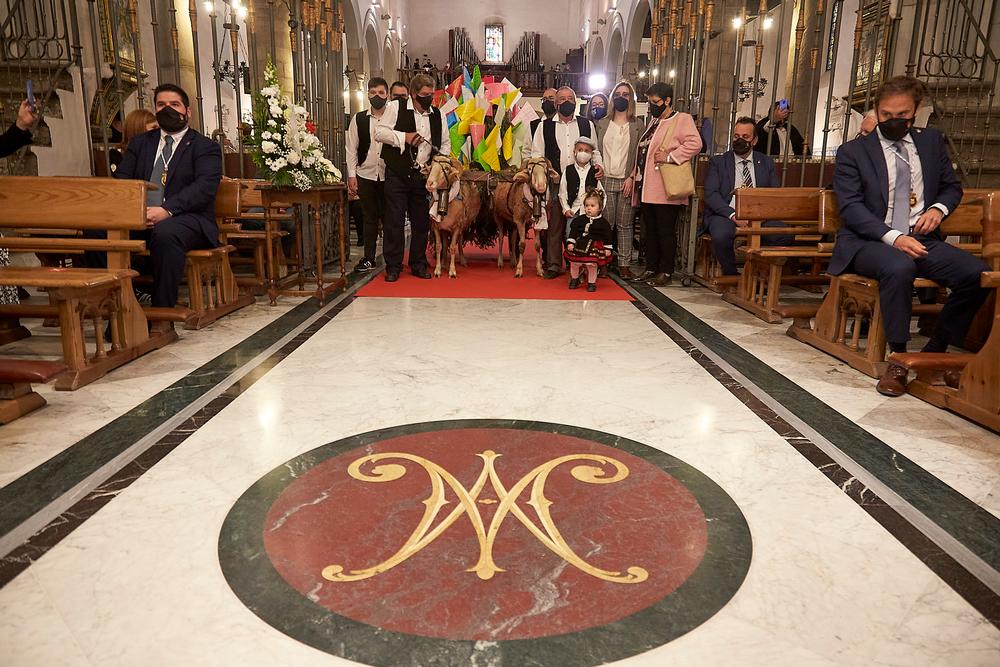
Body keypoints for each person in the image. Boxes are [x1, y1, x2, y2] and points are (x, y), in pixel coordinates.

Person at [830, 76, 988, 397]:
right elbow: (851, 207)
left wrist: (939, 209)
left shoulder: (930, 143)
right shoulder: (854, 152)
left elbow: (951, 186)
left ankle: (938, 347)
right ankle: (899, 359)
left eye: (901, 115)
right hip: (869, 241)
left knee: (977, 274)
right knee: (898, 267)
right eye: (886, 115)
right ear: (877, 110)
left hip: (921, 238)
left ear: (915, 111)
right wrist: (892, 237)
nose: (893, 121)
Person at [113, 83, 223, 326]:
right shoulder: (141, 143)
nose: (168, 109)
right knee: (97, 231)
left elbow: (203, 189)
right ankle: (121, 304)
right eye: (161, 105)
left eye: (174, 104)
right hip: (139, 216)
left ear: (187, 111)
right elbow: (122, 180)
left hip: (187, 218)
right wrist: (134, 210)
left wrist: (166, 210)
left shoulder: (204, 147)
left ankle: (162, 314)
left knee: (166, 233)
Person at [374, 73, 450, 282]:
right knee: (395, 221)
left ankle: (418, 263)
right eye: (425, 95)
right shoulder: (396, 108)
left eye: (431, 94)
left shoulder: (438, 115)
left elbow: (445, 144)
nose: (429, 98)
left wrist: (437, 164)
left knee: (420, 223)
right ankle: (393, 266)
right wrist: (403, 137)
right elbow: (379, 132)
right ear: (414, 94)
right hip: (397, 173)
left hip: (422, 176)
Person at [627, 82, 701, 286]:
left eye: (656, 101)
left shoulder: (681, 119)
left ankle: (665, 270)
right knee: (649, 230)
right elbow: (645, 150)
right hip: (647, 186)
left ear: (667, 101)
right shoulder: (654, 122)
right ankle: (650, 267)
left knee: (665, 231)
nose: (652, 105)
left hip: (666, 187)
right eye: (650, 102)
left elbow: (696, 143)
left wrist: (670, 157)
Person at [703, 117, 792, 275]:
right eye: (736, 136)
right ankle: (731, 274)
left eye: (745, 137)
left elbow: (773, 193)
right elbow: (711, 194)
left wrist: (758, 217)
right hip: (726, 213)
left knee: (783, 234)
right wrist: (732, 215)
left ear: (755, 140)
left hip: (760, 215)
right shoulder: (719, 162)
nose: (739, 140)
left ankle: (758, 273)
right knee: (721, 234)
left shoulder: (766, 162)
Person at [531, 86, 604, 279]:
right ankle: (554, 264)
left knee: (581, 224)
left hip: (583, 181)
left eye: (570, 98)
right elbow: (536, 154)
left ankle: (580, 263)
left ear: (576, 101)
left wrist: (599, 166)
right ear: (555, 103)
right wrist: (545, 172)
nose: (566, 102)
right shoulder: (544, 125)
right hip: (555, 182)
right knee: (555, 225)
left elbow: (594, 151)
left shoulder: (586, 124)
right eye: (561, 99)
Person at [595, 81, 643, 278]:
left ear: (630, 99)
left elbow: (641, 154)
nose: (621, 97)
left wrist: (633, 176)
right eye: (618, 94)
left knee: (625, 224)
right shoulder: (603, 123)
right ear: (613, 97)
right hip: (605, 179)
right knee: (606, 224)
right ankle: (603, 261)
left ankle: (624, 264)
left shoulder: (638, 125)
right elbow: (596, 150)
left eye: (625, 94)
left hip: (626, 180)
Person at [346, 77, 389, 272]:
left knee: (390, 218)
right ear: (368, 95)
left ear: (387, 95)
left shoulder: (393, 117)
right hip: (366, 174)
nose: (377, 96)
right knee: (369, 217)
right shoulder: (359, 118)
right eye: (373, 93)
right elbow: (351, 148)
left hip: (389, 175)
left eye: (381, 92)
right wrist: (352, 175)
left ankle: (391, 259)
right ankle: (369, 258)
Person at [565, 189, 614, 292]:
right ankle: (574, 279)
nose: (589, 208)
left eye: (592, 206)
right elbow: (573, 231)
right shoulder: (580, 220)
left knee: (592, 265)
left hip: (595, 246)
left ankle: (591, 283)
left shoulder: (603, 223)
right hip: (580, 244)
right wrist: (571, 242)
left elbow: (607, 236)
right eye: (587, 206)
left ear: (600, 208)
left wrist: (608, 248)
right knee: (574, 263)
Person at [559, 136, 604, 218]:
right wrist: (566, 209)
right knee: (571, 230)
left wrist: (598, 210)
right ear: (574, 152)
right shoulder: (568, 170)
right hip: (573, 211)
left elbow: (602, 194)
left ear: (591, 154)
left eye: (587, 151)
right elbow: (563, 192)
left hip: (591, 213)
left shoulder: (595, 171)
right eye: (580, 150)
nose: (583, 153)